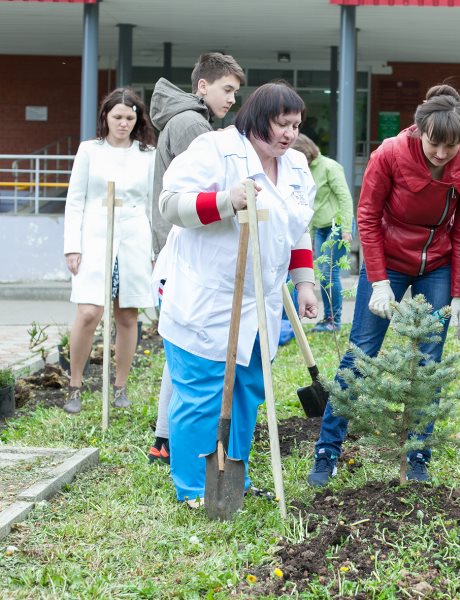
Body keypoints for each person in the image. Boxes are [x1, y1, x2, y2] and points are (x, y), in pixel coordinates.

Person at [307, 84, 460, 487]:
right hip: (387, 258)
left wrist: (458, 293)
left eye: (451, 147)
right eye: (434, 144)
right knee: (361, 354)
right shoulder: (389, 153)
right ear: (418, 130)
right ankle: (327, 451)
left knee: (428, 361)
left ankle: (419, 455)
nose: (441, 154)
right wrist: (380, 281)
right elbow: (367, 216)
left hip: (437, 262)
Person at [155, 81, 317, 506]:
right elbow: (170, 204)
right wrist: (224, 200)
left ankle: (233, 479)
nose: (288, 134)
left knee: (248, 388)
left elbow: (296, 230)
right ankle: (194, 488)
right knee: (202, 392)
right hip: (205, 295)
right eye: (281, 125)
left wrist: (304, 282)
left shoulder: (298, 165)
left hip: (259, 301)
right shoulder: (216, 149)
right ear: (258, 120)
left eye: (295, 126)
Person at [146, 52, 246, 465]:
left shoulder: (192, 120)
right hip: (180, 254)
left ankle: (165, 437)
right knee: (184, 346)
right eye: (227, 90)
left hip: (176, 249)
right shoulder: (192, 125)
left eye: (237, 92)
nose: (233, 100)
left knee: (180, 343)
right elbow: (204, 190)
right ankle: (167, 439)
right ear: (202, 86)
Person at [62, 88, 156, 414]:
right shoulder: (90, 151)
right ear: (106, 116)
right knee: (89, 312)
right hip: (94, 239)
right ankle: (75, 384)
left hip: (134, 241)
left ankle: (120, 386)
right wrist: (72, 246)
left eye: (130, 118)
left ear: (137, 120)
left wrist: (155, 249)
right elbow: (75, 200)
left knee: (127, 314)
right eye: (117, 117)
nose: (123, 123)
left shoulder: (148, 155)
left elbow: (151, 206)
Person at [292, 133, 354, 333]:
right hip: (319, 227)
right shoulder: (303, 170)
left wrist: (346, 229)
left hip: (336, 226)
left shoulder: (329, 166)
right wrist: (307, 236)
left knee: (329, 272)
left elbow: (345, 198)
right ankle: (327, 319)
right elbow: (309, 205)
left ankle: (334, 320)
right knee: (320, 273)